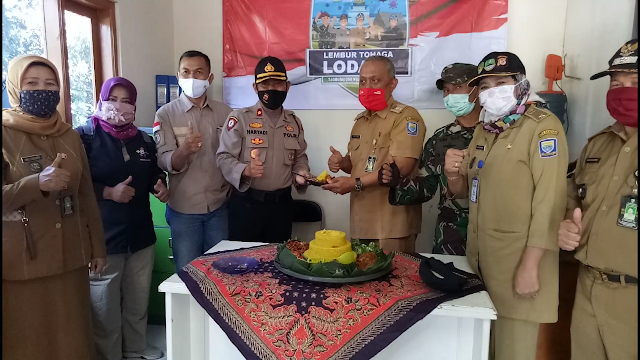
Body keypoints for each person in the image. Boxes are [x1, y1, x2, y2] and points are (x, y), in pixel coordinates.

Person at [443, 52, 567, 360]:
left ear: (521, 84)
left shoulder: (543, 128)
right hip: (481, 260)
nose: (491, 91)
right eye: (485, 85)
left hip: (519, 264)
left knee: (512, 351)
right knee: (478, 349)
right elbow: (464, 191)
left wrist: (530, 266)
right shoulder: (487, 128)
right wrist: (451, 175)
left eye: (501, 82)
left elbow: (549, 202)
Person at [2, 55, 106, 359]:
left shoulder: (68, 135)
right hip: (22, 260)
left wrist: (96, 246)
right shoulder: (5, 133)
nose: (42, 91)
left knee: (72, 339)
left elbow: (86, 194)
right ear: (14, 87)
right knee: (29, 339)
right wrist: (36, 184)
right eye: (31, 84)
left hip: (70, 257)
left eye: (50, 84)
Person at [76, 77, 167, 360]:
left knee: (138, 299)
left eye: (127, 100)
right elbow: (74, 186)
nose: (120, 105)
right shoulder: (84, 136)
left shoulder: (144, 141)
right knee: (104, 306)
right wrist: (108, 192)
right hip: (103, 237)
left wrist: (161, 184)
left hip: (140, 234)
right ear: (101, 100)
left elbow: (153, 174)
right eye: (113, 98)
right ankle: (109, 354)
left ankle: (135, 347)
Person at [558, 39, 638, 360]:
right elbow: (572, 197)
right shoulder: (598, 145)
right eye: (616, 84)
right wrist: (563, 224)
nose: (623, 90)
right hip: (588, 285)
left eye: (635, 82)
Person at [323, 56, 426, 253]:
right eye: (363, 81)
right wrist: (341, 162)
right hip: (361, 221)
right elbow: (357, 165)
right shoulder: (361, 120)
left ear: (393, 84)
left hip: (392, 225)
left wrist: (355, 183)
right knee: (360, 282)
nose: (367, 86)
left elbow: (402, 167)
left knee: (394, 283)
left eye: (375, 80)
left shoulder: (407, 117)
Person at [381, 63, 480, 255]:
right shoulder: (440, 139)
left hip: (493, 232)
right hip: (451, 236)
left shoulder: (498, 134)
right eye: (446, 90)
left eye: (458, 87)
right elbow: (425, 189)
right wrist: (396, 183)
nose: (451, 95)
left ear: (478, 89)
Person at [217, 56, 311, 243]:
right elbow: (223, 157)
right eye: (265, 84)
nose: (271, 89)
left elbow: (300, 156)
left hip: (282, 207)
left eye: (277, 84)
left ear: (287, 86)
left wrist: (301, 173)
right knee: (245, 265)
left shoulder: (294, 122)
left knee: (277, 264)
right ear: (255, 88)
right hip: (247, 206)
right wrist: (245, 170)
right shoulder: (240, 119)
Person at [154, 50, 233, 271]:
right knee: (187, 276)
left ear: (210, 78)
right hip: (184, 211)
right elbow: (164, 161)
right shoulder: (166, 114)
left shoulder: (225, 113)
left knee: (221, 274)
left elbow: (234, 155)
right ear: (178, 76)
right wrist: (184, 150)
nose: (192, 78)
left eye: (199, 73)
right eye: (186, 72)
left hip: (219, 207)